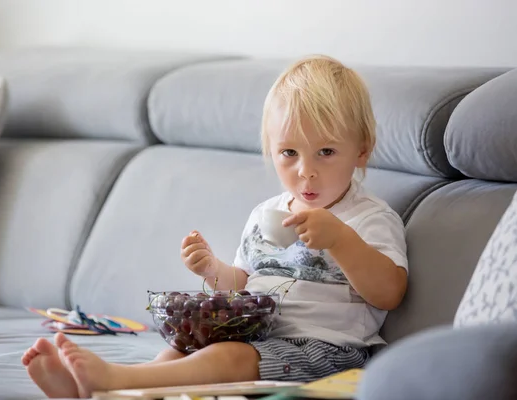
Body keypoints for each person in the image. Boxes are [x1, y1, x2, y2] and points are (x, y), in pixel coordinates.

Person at [21, 54, 409, 399]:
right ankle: (114, 387)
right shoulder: (265, 214)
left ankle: (112, 380)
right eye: (289, 153)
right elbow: (246, 285)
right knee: (184, 348)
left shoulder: (369, 218)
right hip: (258, 334)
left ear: (361, 149)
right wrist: (213, 270)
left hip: (327, 349)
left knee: (228, 356)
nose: (305, 171)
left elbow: (389, 292)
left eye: (325, 152)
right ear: (270, 151)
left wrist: (340, 239)